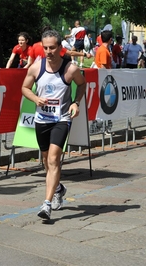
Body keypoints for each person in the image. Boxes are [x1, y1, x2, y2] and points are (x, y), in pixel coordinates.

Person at [21, 30, 87, 220]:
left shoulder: (71, 69)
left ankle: (46, 204)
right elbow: (24, 88)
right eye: (45, 48)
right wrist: (35, 98)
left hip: (62, 119)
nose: (48, 51)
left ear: (60, 48)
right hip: (42, 119)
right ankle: (58, 188)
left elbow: (82, 84)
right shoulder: (36, 67)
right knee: (45, 162)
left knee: (53, 159)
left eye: (52, 48)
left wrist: (76, 102)